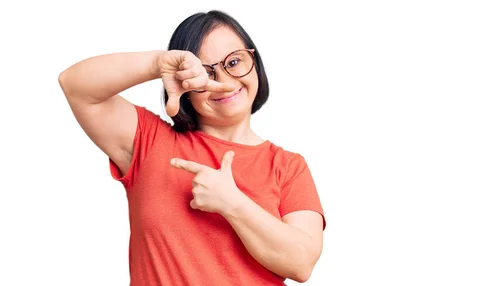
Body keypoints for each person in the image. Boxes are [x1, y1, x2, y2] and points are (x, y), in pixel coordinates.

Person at [58, 10, 326, 286]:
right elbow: (76, 86)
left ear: (254, 61)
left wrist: (231, 202)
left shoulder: (288, 166)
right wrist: (157, 63)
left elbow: (301, 263)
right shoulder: (149, 143)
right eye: (205, 73)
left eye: (234, 62)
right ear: (183, 84)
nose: (223, 82)